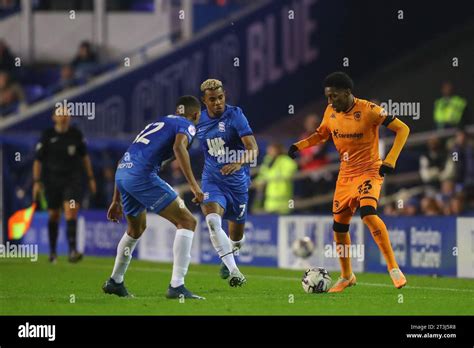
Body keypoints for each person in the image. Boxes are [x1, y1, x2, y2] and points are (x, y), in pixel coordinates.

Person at [288, 71, 410, 292]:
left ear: (347, 93)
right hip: (345, 175)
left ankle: (393, 268)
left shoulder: (369, 110)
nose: (330, 101)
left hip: (369, 171)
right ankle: (347, 276)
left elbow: (403, 129)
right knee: (339, 227)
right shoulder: (330, 111)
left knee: (368, 214)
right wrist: (300, 146)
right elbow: (321, 135)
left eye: (334, 96)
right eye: (327, 97)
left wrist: (390, 160)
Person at [103, 95, 205, 299]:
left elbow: (125, 158)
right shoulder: (187, 125)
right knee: (187, 221)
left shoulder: (158, 122)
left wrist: (116, 199)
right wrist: (195, 186)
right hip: (141, 176)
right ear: (196, 114)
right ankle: (177, 286)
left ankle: (115, 281)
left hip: (123, 174)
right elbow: (179, 148)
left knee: (135, 229)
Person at [196, 78, 258, 286]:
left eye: (221, 98)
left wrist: (239, 163)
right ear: (204, 101)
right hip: (212, 180)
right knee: (212, 221)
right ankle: (235, 271)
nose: (218, 103)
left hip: (238, 183)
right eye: (212, 99)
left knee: (237, 238)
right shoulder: (198, 121)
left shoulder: (235, 115)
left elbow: (253, 149)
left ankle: (230, 255)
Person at [33, 109, 96, 263]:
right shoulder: (47, 135)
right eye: (61, 113)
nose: (64, 116)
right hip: (52, 181)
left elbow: (85, 157)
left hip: (72, 181)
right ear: (54, 117)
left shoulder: (76, 135)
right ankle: (53, 252)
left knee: (71, 210)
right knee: (54, 215)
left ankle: (73, 250)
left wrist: (91, 178)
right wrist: (36, 181)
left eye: (67, 113)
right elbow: (38, 160)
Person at [254, 142, 297, 214]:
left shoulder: (286, 160)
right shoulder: (268, 159)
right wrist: (258, 181)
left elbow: (290, 172)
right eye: (269, 150)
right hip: (269, 196)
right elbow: (263, 173)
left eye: (271, 150)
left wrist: (271, 176)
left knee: (286, 212)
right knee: (269, 216)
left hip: (284, 193)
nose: (269, 152)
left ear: (277, 150)